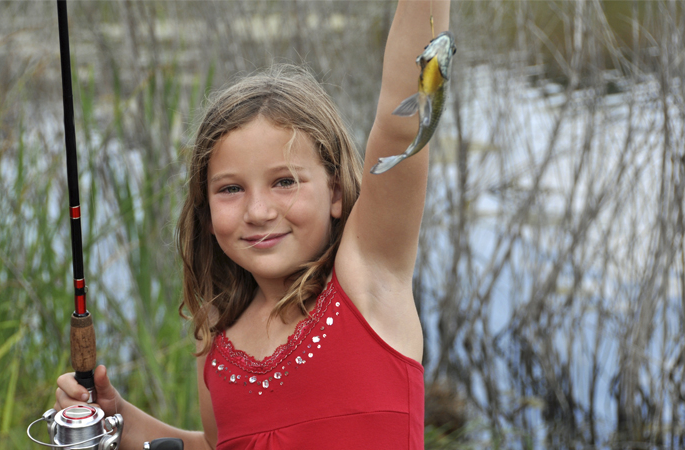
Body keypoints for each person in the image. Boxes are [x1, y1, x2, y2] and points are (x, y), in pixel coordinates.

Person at [54, 1, 451, 449]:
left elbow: (403, 127)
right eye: (230, 189)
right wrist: (116, 418)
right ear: (204, 211)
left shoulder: (369, 282)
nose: (258, 211)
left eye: (285, 181)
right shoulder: (216, 342)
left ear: (336, 193)